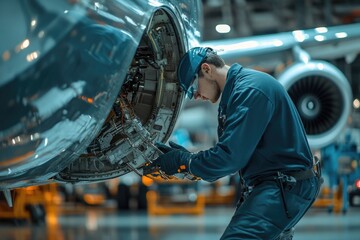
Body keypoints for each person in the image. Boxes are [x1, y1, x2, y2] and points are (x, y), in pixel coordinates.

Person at [144, 47, 321, 239]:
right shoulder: (238, 92)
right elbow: (233, 153)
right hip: (279, 185)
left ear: (207, 69)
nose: (195, 96)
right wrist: (188, 159)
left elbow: (230, 158)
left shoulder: (249, 91)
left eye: (193, 89)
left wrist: (185, 162)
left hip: (283, 187)